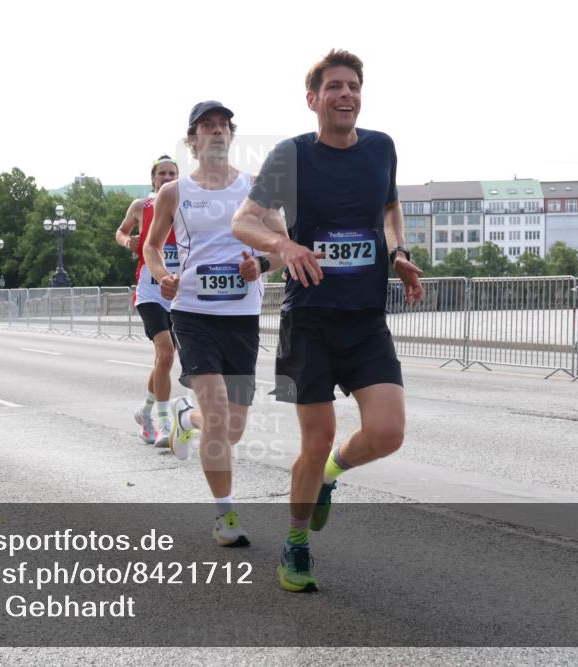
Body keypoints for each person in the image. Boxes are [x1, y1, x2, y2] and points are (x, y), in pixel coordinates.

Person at [231, 49, 424, 592]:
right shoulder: (290, 157)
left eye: (354, 86)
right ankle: (294, 546)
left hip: (365, 319)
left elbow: (389, 209)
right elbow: (243, 221)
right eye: (335, 87)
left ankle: (331, 479)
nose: (346, 95)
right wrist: (283, 244)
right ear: (313, 98)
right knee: (315, 441)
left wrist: (400, 253)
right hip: (309, 320)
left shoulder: (382, 147)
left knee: (387, 432)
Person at [146, 101, 279, 548]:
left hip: (241, 316)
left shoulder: (256, 188)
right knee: (220, 411)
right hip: (193, 313)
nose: (217, 132)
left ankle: (187, 417)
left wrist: (259, 264)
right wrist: (163, 276)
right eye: (207, 126)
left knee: (232, 427)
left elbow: (284, 247)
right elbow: (150, 247)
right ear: (192, 140)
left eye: (223, 125)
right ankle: (225, 516)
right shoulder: (174, 193)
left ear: (231, 135)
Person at [115, 155, 180, 445]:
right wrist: (126, 241)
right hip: (150, 290)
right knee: (165, 353)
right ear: (153, 178)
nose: (167, 178)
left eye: (172, 173)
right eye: (162, 173)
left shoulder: (188, 206)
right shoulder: (142, 206)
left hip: (178, 291)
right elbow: (121, 230)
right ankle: (166, 425)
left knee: (163, 360)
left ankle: (146, 411)